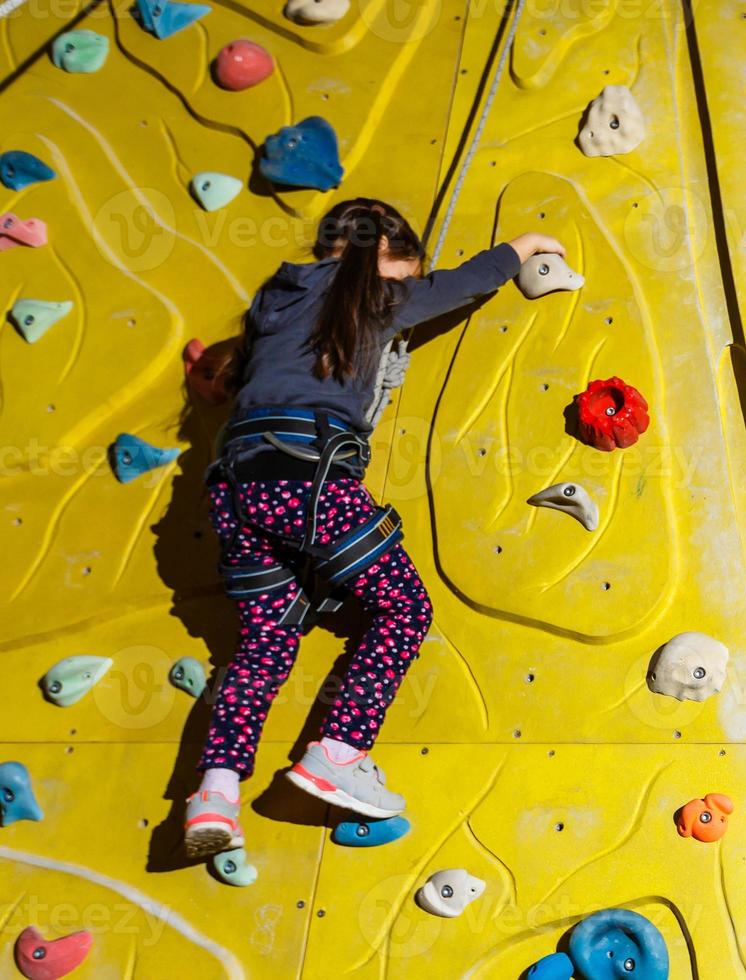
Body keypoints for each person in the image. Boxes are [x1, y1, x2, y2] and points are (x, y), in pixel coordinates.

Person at [183, 198, 564, 858]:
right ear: (387, 257)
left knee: (265, 641)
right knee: (403, 610)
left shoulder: (275, 300)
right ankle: (339, 750)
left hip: (236, 488)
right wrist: (524, 244)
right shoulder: (373, 296)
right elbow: (464, 284)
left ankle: (214, 793)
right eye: (409, 271)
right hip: (308, 479)